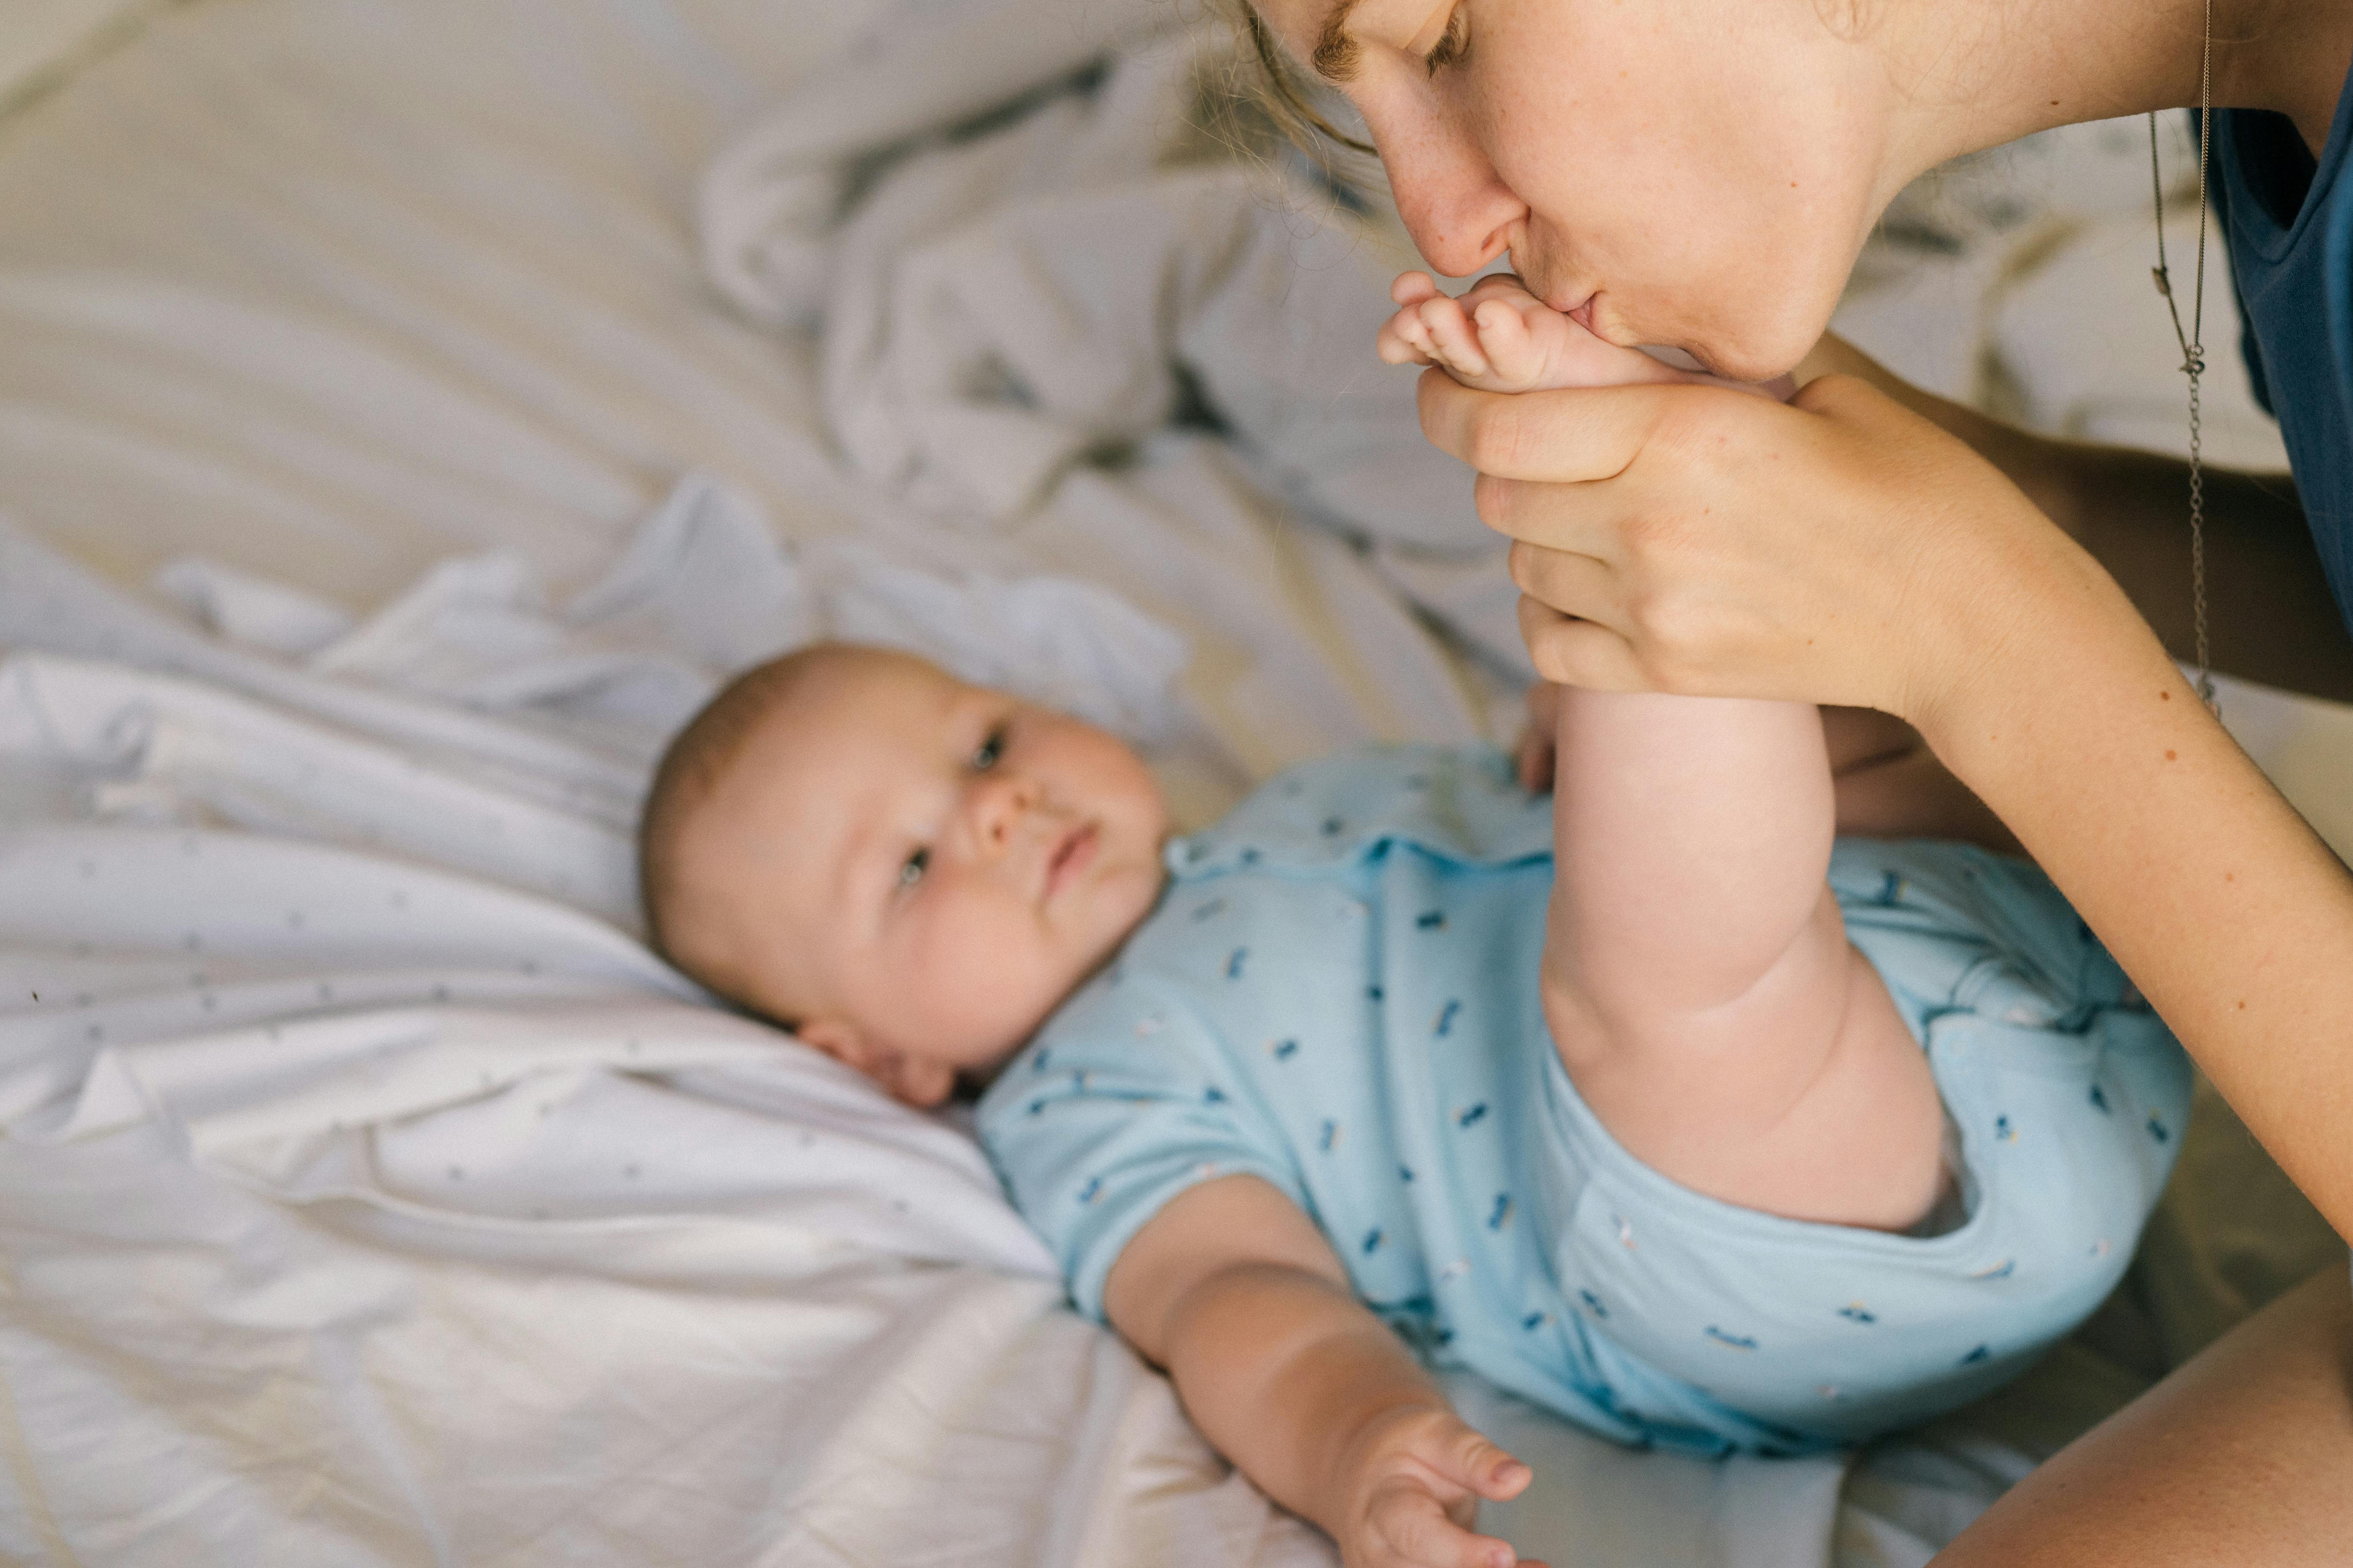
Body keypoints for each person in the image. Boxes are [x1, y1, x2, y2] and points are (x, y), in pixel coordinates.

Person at [1097, 0, 2353, 1560]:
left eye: (1443, 34)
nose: (1443, 218)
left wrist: (1983, 635)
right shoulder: (2352, 4)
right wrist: (2003, 501)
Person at [636, 603, 2184, 1564]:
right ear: (882, 1058)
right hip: (1791, 1215)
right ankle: (1665, 628)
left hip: (1996, 946)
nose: (996, 809)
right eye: (910, 865)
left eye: (982, 739)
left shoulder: (1275, 810)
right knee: (1670, 974)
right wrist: (1357, 1441)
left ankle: (1732, 674)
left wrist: (1575, 752)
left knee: (1838, 705)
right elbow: (1239, 1298)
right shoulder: (1083, 1102)